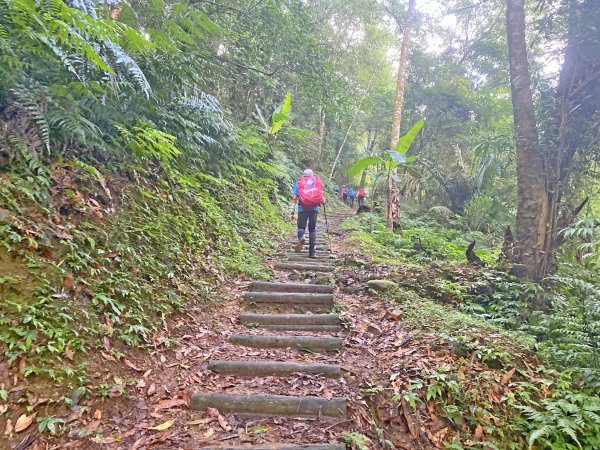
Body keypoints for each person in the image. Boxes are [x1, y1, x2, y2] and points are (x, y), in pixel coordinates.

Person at [290, 169, 325, 258]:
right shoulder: (316, 182)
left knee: (301, 227)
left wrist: (292, 211)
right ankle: (312, 252)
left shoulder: (298, 183)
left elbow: (294, 198)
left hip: (302, 208)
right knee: (312, 229)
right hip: (314, 208)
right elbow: (321, 197)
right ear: (312, 175)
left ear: (303, 175)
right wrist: (323, 202)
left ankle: (302, 237)